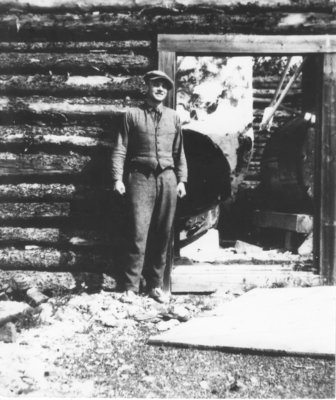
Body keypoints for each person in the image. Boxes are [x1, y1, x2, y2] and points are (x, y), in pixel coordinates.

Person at [111, 70, 188, 303]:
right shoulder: (132, 115)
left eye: (164, 86)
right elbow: (120, 148)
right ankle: (131, 287)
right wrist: (117, 178)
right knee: (138, 232)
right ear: (147, 86)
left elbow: (179, 151)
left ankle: (155, 285)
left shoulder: (174, 117)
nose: (160, 89)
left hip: (167, 178)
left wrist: (182, 180)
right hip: (140, 179)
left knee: (163, 233)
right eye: (156, 84)